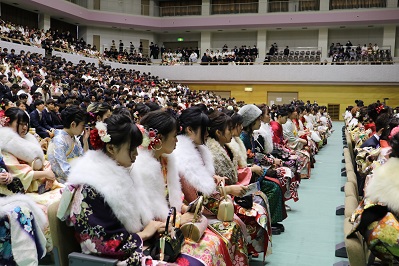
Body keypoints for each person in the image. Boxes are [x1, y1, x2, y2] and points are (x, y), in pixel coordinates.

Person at [174, 106, 248, 265]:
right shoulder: (181, 157)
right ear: (189, 130)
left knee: (233, 225)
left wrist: (213, 179)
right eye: (204, 130)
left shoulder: (199, 149)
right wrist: (225, 190)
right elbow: (193, 197)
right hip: (193, 210)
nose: (208, 134)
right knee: (230, 228)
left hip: (203, 204)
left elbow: (202, 184)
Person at [133, 110, 205, 265]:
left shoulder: (166, 160)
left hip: (171, 224)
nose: (177, 141)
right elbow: (149, 217)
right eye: (174, 136)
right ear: (158, 139)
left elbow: (172, 200)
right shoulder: (142, 168)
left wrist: (184, 208)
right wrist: (180, 219)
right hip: (157, 236)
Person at [47, 106, 89, 183]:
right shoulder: (59, 140)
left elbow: (84, 158)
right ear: (73, 124)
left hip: (76, 175)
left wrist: (85, 141)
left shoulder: (73, 138)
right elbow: (62, 170)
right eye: (82, 125)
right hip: (63, 180)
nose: (84, 129)